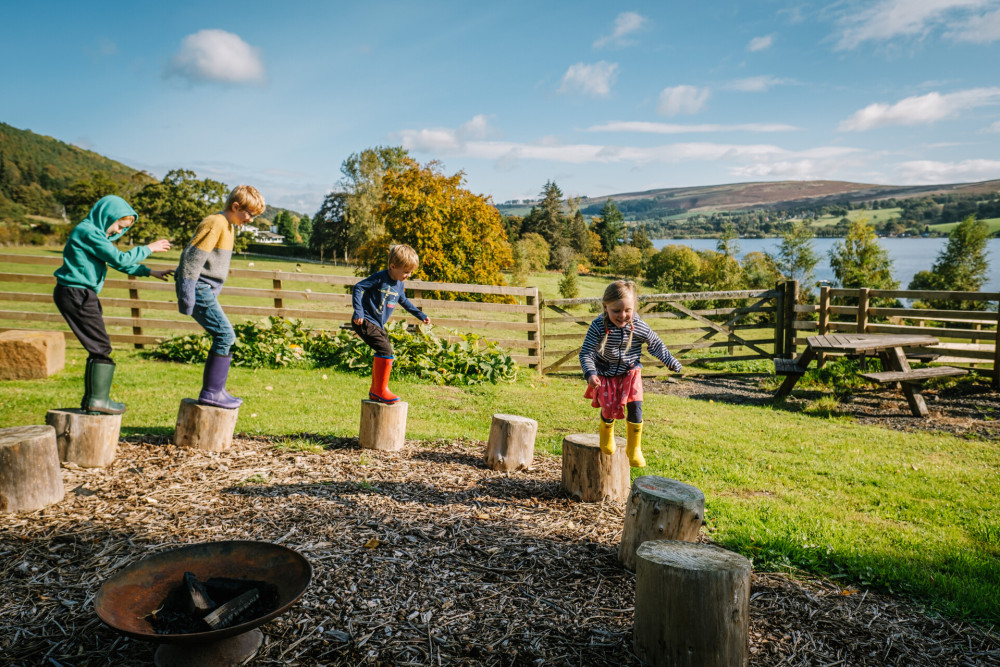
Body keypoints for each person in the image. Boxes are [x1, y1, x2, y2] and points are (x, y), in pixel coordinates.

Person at [53, 195, 173, 414]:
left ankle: (93, 400)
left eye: (123, 228)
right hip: (76, 293)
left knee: (97, 346)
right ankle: (97, 401)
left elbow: (118, 263)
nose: (119, 231)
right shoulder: (87, 232)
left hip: (79, 293)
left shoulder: (94, 234)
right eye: (119, 225)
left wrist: (150, 272)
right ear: (107, 216)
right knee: (101, 347)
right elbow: (119, 259)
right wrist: (149, 248)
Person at [175, 184, 265, 409]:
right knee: (226, 335)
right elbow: (190, 261)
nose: (251, 220)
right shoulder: (214, 223)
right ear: (236, 206)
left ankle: (216, 390)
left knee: (224, 336)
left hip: (206, 290)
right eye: (250, 214)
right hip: (198, 289)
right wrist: (187, 297)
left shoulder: (229, 226)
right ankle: (211, 392)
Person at [579, 280, 683, 467]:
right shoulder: (598, 327)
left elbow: (655, 343)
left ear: (634, 307)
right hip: (606, 373)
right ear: (605, 307)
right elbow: (586, 352)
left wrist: (670, 361)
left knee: (635, 407)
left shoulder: (638, 326)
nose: (623, 315)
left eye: (628, 310)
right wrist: (590, 373)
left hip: (630, 372)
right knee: (609, 408)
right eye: (616, 311)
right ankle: (606, 431)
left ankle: (634, 448)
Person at [351, 244, 431, 403]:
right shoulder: (380, 278)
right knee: (386, 350)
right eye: (406, 271)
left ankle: (376, 391)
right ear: (393, 266)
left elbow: (404, 302)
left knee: (385, 349)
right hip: (365, 320)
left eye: (411, 272)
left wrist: (420, 315)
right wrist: (358, 311)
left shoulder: (400, 284)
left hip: (377, 324)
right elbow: (358, 287)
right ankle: (381, 390)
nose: (408, 275)